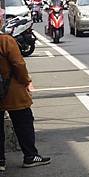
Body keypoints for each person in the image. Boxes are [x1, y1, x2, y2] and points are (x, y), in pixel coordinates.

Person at [0, 34, 51, 170]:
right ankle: (30, 156)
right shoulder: (5, 41)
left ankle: (0, 161)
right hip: (12, 90)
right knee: (24, 122)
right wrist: (26, 81)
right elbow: (19, 64)